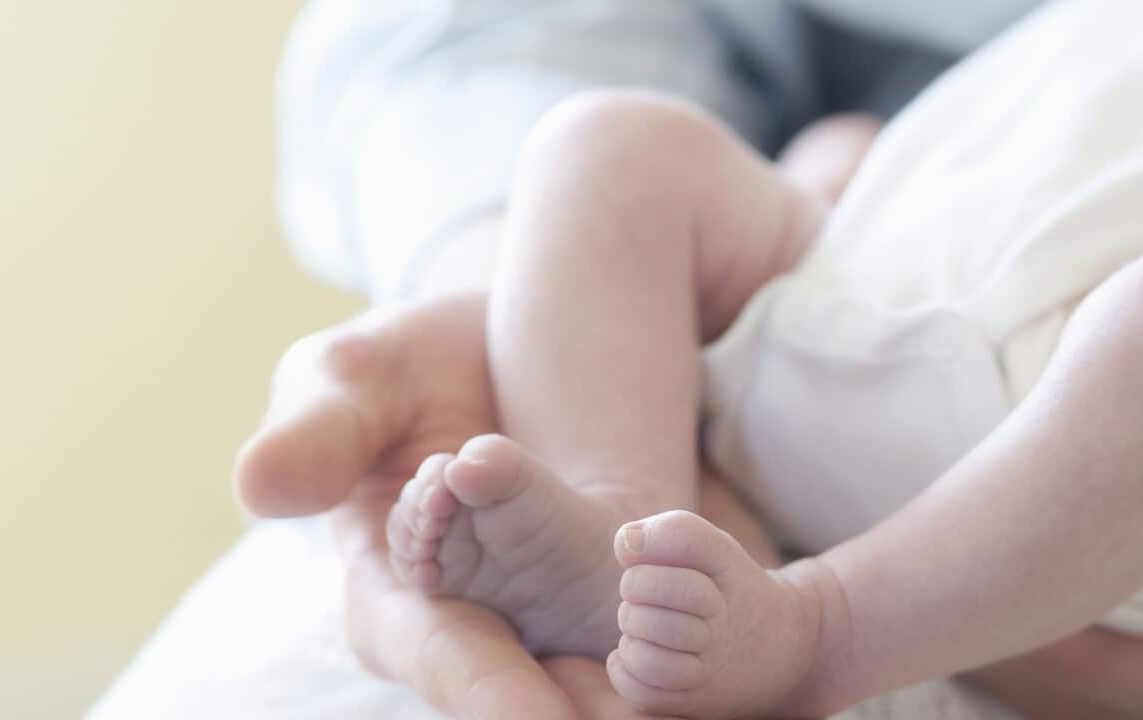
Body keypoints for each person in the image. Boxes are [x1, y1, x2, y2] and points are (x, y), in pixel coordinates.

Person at [237, 1, 1143, 718]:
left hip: (1079, 471)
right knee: (604, 144)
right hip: (861, 263)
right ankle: (617, 520)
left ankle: (820, 631)